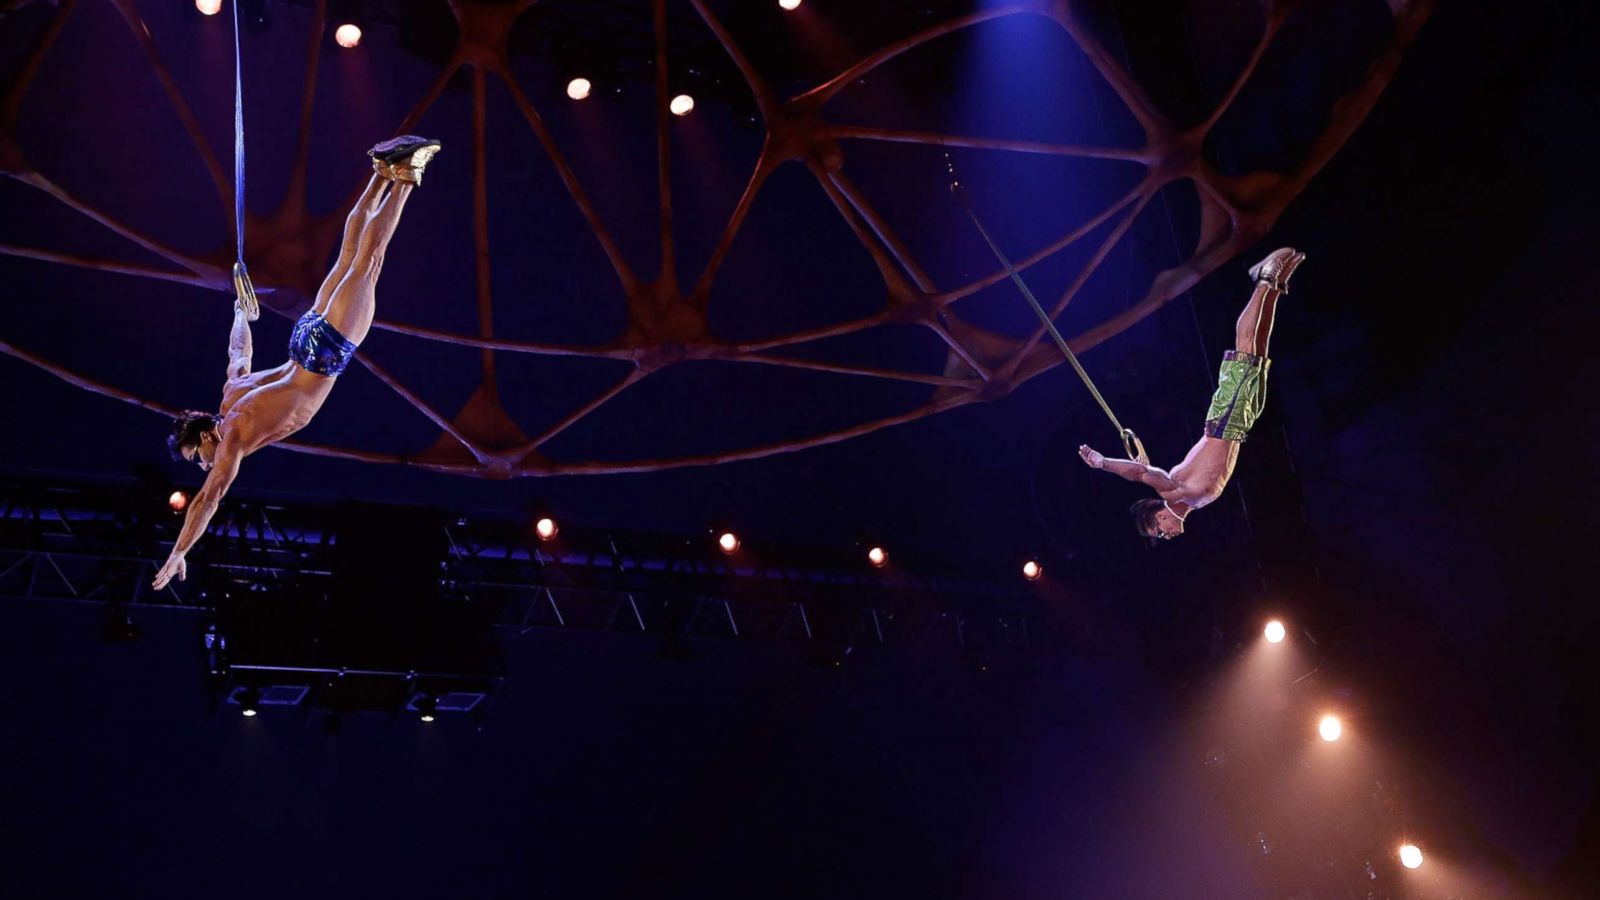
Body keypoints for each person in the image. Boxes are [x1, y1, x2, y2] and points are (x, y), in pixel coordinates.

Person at [153, 136, 440, 589]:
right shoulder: (231, 396)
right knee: (349, 257)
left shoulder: (234, 435)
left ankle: (404, 176)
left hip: (322, 356)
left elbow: (208, 500)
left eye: (198, 455)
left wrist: (179, 552)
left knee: (368, 262)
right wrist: (239, 314)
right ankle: (381, 172)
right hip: (301, 339)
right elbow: (238, 353)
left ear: (207, 435)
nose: (204, 464)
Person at [1078, 247, 1306, 541]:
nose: (1166, 535)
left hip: (1224, 421)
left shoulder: (1174, 490)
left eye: (1159, 531)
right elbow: (1143, 469)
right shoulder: (1191, 502)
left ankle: (1264, 278)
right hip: (1239, 424)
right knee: (1259, 352)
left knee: (1247, 348)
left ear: (1160, 515)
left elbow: (1140, 474)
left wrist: (1103, 463)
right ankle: (1275, 285)